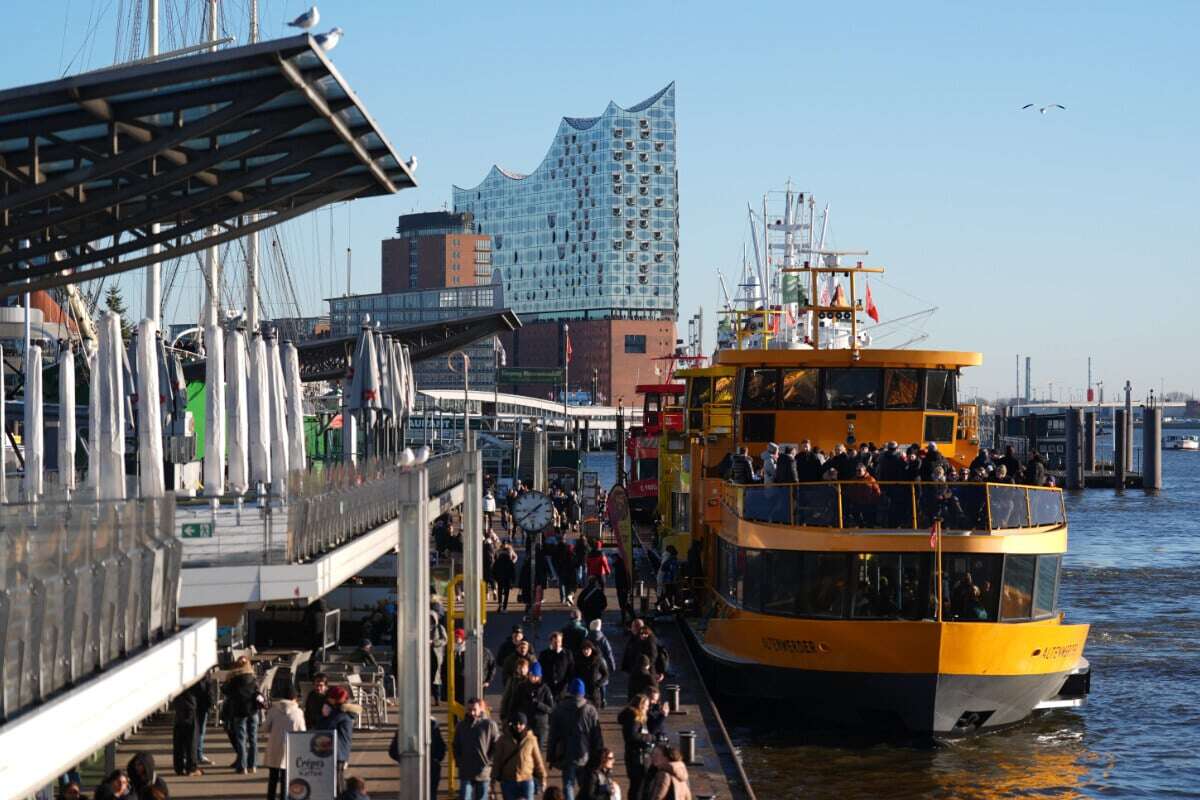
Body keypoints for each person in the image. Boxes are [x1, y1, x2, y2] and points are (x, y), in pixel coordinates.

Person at [547, 679, 605, 800]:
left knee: (568, 784)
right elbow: (597, 735)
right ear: (583, 693)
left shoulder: (560, 708)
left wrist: (551, 755)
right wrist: (600, 754)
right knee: (585, 785)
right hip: (585, 753)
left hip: (566, 753)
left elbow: (553, 734)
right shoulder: (590, 710)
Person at [491, 711, 548, 800]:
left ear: (525, 724)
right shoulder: (503, 740)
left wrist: (542, 778)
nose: (518, 726)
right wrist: (493, 780)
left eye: (521, 723)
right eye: (515, 723)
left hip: (526, 779)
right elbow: (497, 760)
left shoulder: (531, 739)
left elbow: (538, 760)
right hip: (508, 781)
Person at [263, 684, 306, 800]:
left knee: (272, 778)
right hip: (290, 748)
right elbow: (302, 732)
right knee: (285, 779)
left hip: (274, 746)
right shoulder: (298, 712)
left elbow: (265, 728)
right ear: (294, 698)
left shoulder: (273, 710)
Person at [453, 697, 501, 800]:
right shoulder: (461, 726)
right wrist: (460, 762)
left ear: (481, 709)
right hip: (466, 771)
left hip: (483, 772)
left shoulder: (489, 725)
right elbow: (456, 746)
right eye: (470, 710)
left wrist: (488, 761)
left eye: (474, 710)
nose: (472, 713)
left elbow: (496, 745)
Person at [221, 656, 261, 774]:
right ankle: (253, 765)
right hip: (252, 710)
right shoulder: (253, 678)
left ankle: (242, 766)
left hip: (239, 711)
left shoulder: (233, 679)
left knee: (241, 739)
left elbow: (225, 691)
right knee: (253, 739)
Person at [318, 685, 359, 791]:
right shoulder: (345, 712)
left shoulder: (339, 714)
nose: (327, 700)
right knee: (339, 777)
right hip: (342, 750)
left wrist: (324, 716)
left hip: (338, 751)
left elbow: (325, 727)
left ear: (335, 699)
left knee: (337, 779)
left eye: (329, 698)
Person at [617, 694, 655, 800]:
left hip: (634, 754)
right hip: (637, 756)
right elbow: (632, 736)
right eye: (646, 705)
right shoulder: (634, 717)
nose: (647, 708)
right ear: (640, 705)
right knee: (638, 786)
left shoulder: (634, 716)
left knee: (636, 785)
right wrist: (650, 737)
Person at [514, 662, 556, 748]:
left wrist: (538, 704)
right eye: (532, 675)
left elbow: (551, 708)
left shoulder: (545, 689)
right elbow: (515, 704)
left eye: (536, 676)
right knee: (525, 749)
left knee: (537, 751)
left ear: (539, 677)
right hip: (526, 723)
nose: (533, 678)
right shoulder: (522, 687)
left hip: (540, 726)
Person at [170, 679, 201, 776]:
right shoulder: (192, 676)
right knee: (191, 740)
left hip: (179, 707)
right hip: (190, 707)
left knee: (178, 741)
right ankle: (191, 767)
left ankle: (179, 767)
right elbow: (201, 688)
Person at [586, 619, 616, 708]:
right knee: (603, 681)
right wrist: (612, 665)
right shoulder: (603, 639)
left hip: (590, 661)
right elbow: (609, 652)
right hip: (602, 661)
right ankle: (603, 698)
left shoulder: (587, 638)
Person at [572, 638, 610, 709]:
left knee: (594, 712)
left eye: (588, 649)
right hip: (582, 691)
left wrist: (598, 683)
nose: (586, 651)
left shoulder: (598, 660)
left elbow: (606, 674)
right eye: (584, 649)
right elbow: (574, 673)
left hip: (594, 691)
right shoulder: (578, 660)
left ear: (592, 649)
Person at [539, 631, 576, 699]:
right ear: (551, 642)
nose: (557, 644)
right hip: (548, 686)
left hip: (562, 687)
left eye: (559, 641)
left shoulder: (567, 654)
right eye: (555, 642)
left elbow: (571, 669)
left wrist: (567, 683)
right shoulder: (543, 654)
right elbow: (540, 670)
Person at [494, 543, 518, 612]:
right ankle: (504, 607)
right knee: (506, 592)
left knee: (500, 591)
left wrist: (495, 578)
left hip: (500, 578)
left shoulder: (498, 559)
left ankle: (500, 605)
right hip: (507, 578)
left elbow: (494, 569)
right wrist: (513, 580)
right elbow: (513, 572)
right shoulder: (509, 561)